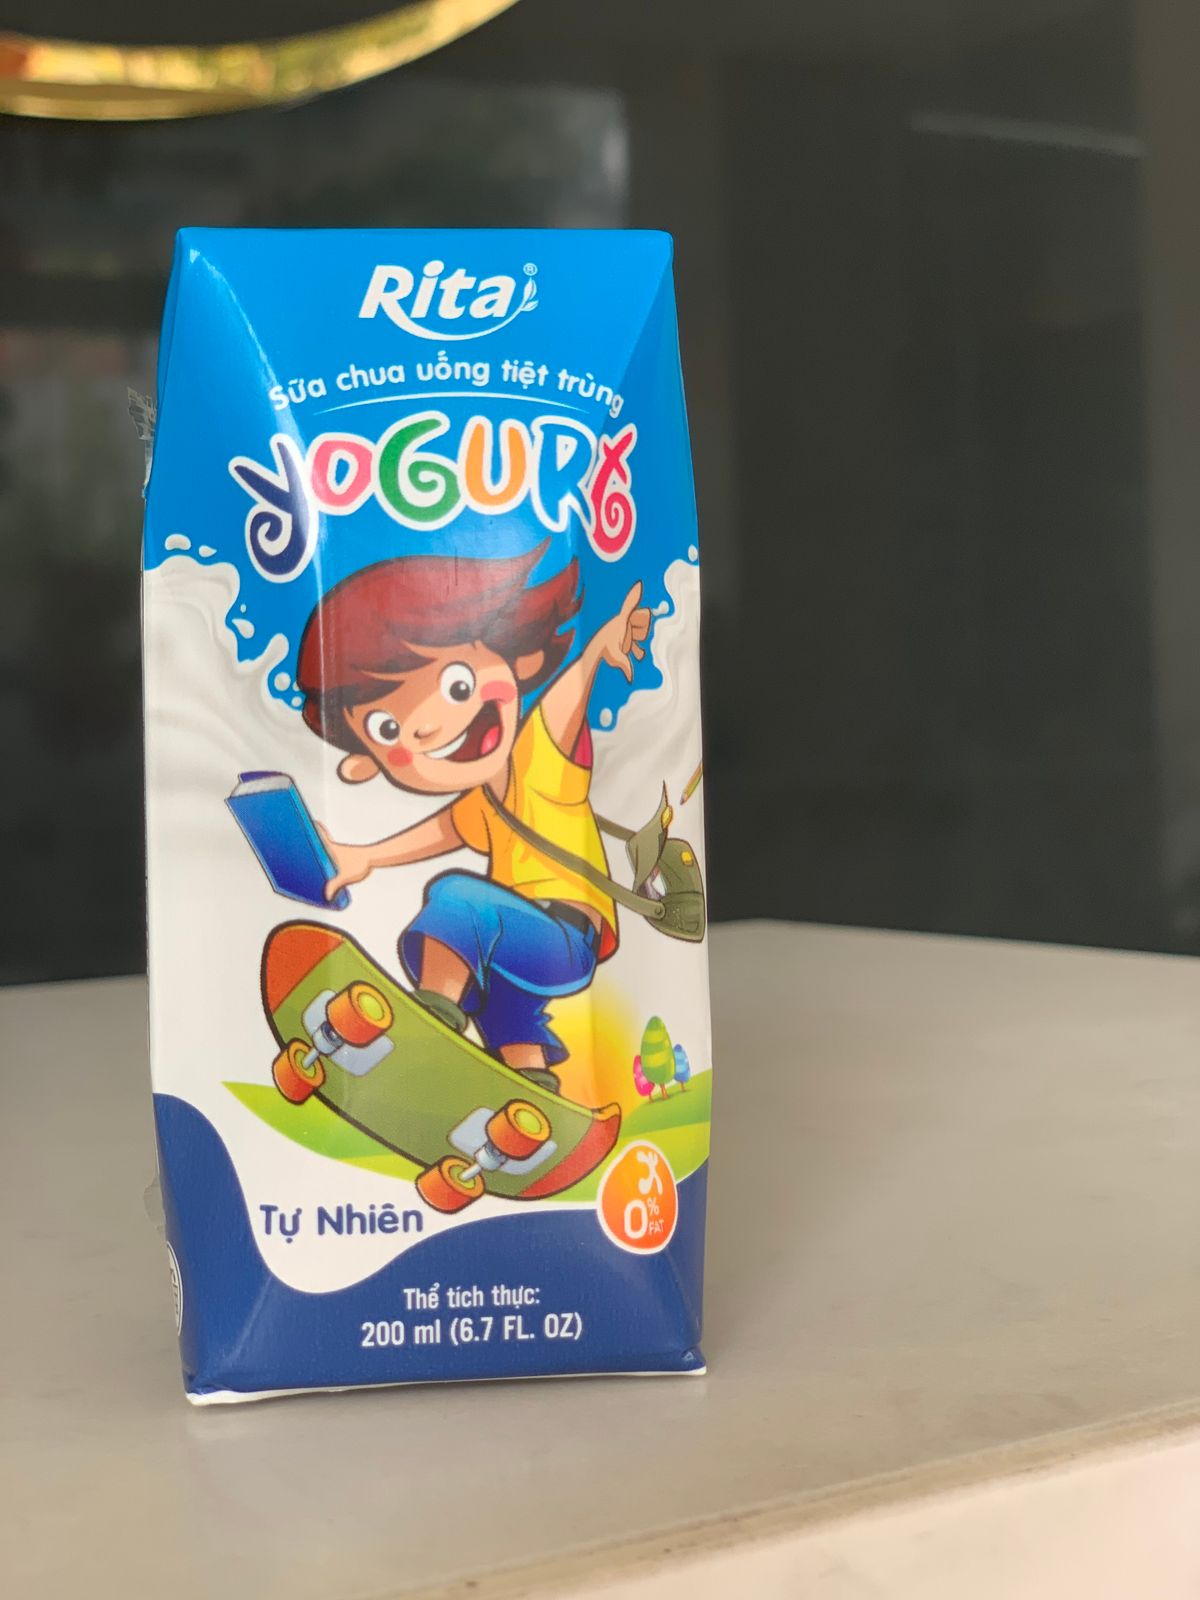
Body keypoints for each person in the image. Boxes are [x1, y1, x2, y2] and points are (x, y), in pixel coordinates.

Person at [297, 543, 651, 1091]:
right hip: (520, 939)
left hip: (564, 935)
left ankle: (431, 1015)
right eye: (387, 730)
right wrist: (364, 855)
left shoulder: (543, 756)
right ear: (367, 762)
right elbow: (442, 831)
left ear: (521, 661)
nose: (425, 727)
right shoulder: (483, 803)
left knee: (458, 897)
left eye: (457, 684)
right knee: (498, 998)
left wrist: (602, 645)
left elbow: (569, 696)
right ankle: (530, 1085)